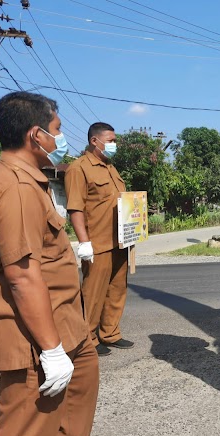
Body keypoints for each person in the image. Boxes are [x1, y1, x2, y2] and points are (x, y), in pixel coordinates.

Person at [0, 91, 100, 436]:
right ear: (36, 135)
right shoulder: (13, 187)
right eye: (57, 132)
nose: (60, 140)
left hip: (63, 319)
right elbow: (21, 275)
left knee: (77, 400)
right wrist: (50, 350)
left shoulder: (32, 180)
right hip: (32, 333)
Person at [65, 122, 134, 357]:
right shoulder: (79, 168)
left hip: (119, 240)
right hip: (97, 243)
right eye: (111, 140)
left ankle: (110, 332)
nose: (114, 145)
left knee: (117, 290)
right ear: (95, 141)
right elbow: (75, 207)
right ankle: (87, 338)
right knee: (93, 293)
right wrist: (83, 242)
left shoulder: (110, 167)